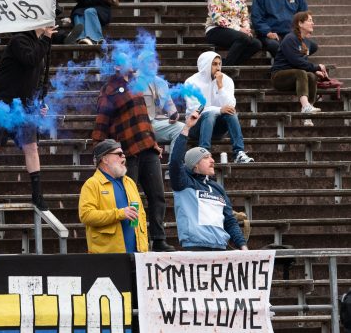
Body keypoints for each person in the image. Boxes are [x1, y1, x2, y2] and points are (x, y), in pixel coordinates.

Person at [93, 52, 174, 252]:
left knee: (157, 196)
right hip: (126, 153)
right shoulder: (109, 89)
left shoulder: (138, 83)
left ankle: (159, 239)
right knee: (130, 199)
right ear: (117, 67)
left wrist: (154, 142)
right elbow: (101, 121)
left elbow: (144, 118)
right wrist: (100, 152)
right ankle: (133, 241)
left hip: (147, 147)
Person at [0, 26, 55, 211]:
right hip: (4, 102)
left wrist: (40, 102)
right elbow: (30, 60)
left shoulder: (40, 43)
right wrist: (47, 39)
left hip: (25, 106)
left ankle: (37, 194)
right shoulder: (19, 40)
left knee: (31, 147)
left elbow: (40, 78)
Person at [169, 112, 248, 251]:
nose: (212, 161)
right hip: (196, 248)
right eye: (206, 158)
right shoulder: (183, 183)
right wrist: (186, 128)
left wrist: (243, 246)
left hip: (220, 248)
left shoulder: (218, 188)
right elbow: (175, 162)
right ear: (195, 165)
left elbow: (230, 221)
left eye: (211, 157)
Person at [183, 51, 254, 163]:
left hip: (217, 129)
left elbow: (230, 106)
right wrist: (219, 109)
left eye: (219, 64)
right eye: (214, 64)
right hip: (195, 127)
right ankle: (204, 155)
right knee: (210, 114)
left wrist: (220, 87)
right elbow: (195, 109)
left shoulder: (226, 80)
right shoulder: (191, 82)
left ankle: (239, 153)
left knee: (231, 113)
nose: (218, 67)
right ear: (205, 64)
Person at [79, 139, 148, 254]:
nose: (124, 157)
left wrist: (144, 246)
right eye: (119, 154)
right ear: (105, 159)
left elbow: (141, 215)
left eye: (123, 154)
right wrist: (119, 213)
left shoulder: (129, 182)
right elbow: (86, 215)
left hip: (138, 254)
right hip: (108, 256)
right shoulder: (92, 184)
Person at [205, 0, 262, 66]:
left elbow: (244, 16)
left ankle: (228, 65)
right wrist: (240, 29)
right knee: (243, 38)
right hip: (215, 29)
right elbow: (216, 17)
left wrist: (246, 29)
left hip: (237, 31)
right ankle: (227, 68)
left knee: (256, 44)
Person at [271, 11, 326, 119]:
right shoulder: (290, 39)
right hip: (279, 77)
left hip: (296, 77)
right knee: (301, 73)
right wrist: (316, 67)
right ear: (300, 24)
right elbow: (296, 61)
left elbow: (303, 60)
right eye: (310, 20)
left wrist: (314, 71)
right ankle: (305, 106)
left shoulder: (309, 43)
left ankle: (309, 110)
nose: (313, 23)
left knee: (311, 75)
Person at [136, 50, 182, 149]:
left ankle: (174, 163)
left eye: (155, 61)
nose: (154, 64)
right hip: (138, 125)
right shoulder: (133, 80)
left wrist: (174, 114)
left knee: (181, 128)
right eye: (150, 61)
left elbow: (169, 104)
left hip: (156, 124)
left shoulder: (161, 83)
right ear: (141, 64)